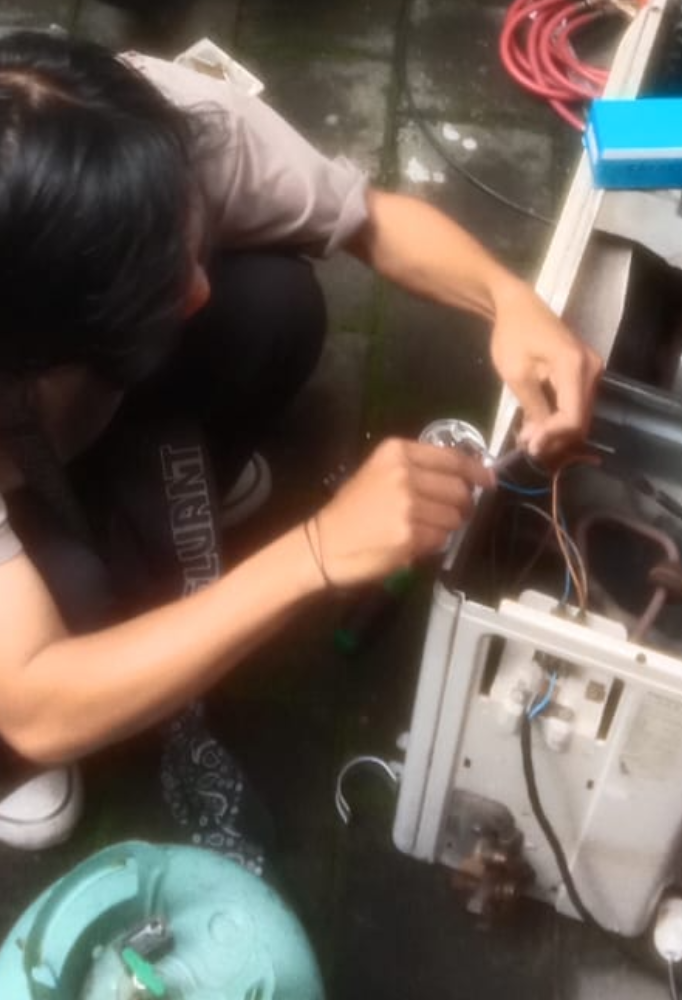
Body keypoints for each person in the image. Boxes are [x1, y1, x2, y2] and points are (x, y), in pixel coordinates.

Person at [0, 30, 601, 862]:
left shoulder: (155, 125)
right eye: (147, 286)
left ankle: (158, 484)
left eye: (183, 241)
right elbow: (37, 704)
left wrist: (509, 301)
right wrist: (315, 552)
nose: (197, 288)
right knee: (71, 637)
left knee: (272, 303)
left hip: (59, 403)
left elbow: (371, 220)